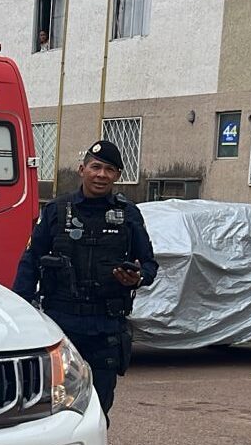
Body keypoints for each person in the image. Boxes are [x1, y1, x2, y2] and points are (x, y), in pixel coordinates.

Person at [12, 139, 157, 418]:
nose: (101, 175)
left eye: (109, 170)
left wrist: (137, 279)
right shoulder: (56, 210)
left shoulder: (128, 215)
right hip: (62, 327)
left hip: (106, 330)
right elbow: (30, 261)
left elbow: (149, 265)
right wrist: (20, 312)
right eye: (96, 167)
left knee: (98, 413)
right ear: (82, 169)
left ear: (117, 176)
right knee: (54, 409)